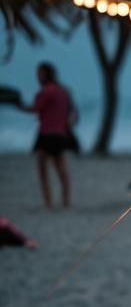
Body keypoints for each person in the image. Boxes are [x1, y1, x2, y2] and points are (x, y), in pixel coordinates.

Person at [18, 62, 75, 209]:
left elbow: (35, 108)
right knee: (61, 168)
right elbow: (70, 112)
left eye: (40, 73)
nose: (37, 76)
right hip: (60, 133)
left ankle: (48, 201)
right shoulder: (63, 92)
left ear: (46, 74)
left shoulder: (45, 92)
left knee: (43, 169)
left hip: (46, 133)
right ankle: (65, 200)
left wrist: (18, 106)